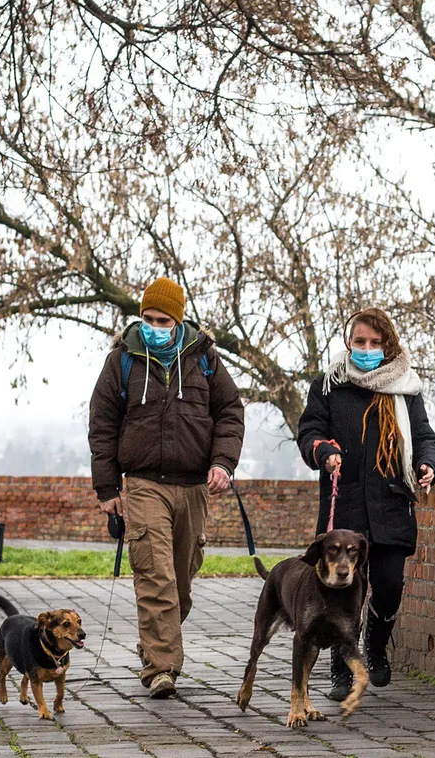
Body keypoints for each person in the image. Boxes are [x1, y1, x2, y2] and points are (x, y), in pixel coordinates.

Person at [89, 277, 246, 699]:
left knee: (180, 582)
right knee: (155, 576)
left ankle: (154, 642)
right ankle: (162, 668)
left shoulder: (205, 359)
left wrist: (222, 463)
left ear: (178, 320)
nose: (154, 325)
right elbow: (102, 426)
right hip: (143, 485)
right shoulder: (121, 360)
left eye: (163, 319)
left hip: (194, 487)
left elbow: (231, 411)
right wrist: (107, 489)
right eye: (147, 318)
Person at [296, 307, 435, 702]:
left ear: (387, 345)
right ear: (348, 342)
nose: (367, 348)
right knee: (343, 590)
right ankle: (341, 668)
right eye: (360, 342)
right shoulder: (327, 386)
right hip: (346, 505)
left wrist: (427, 463)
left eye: (375, 343)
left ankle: (375, 646)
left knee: (389, 586)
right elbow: (309, 431)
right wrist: (321, 450)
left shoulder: (405, 388)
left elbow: (424, 435)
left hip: (392, 503)